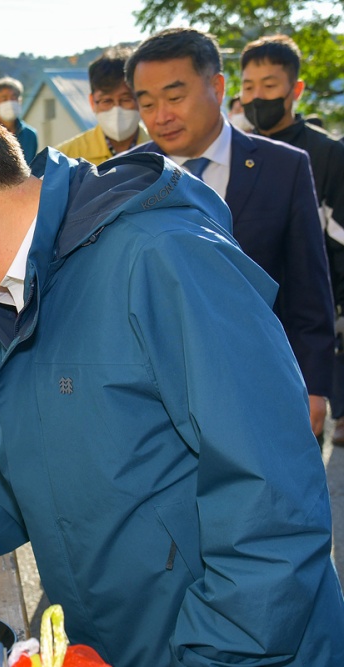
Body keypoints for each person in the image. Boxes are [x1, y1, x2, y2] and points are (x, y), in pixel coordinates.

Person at [0, 76, 344, 667]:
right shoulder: (10, 294)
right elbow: (16, 466)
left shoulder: (164, 257)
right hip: (122, 643)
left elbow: (273, 510)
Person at [125, 27, 334, 438]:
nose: (160, 116)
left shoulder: (284, 167)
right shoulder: (126, 176)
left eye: (175, 97)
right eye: (146, 103)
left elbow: (309, 287)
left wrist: (314, 387)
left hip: (263, 380)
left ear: (217, 87)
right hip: (158, 396)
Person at [239, 34, 344, 446]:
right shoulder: (231, 151)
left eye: (269, 86)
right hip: (245, 327)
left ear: (294, 90)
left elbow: (336, 242)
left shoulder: (326, 155)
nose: (256, 97)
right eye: (248, 87)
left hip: (301, 325)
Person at [56, 46, 149, 165]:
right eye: (107, 101)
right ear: (92, 102)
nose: (116, 109)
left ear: (140, 99)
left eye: (126, 99)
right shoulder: (65, 157)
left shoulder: (162, 151)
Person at [0, 76, 38, 163]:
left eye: (14, 97)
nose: (10, 102)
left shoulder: (30, 135)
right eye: (4, 98)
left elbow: (31, 168)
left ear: (20, 101)